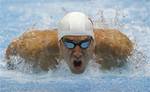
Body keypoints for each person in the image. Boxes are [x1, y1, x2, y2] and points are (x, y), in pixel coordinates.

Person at [5, 12, 133, 74]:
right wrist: (10, 67)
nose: (77, 53)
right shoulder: (38, 47)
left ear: (93, 44)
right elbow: (11, 49)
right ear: (59, 45)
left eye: (84, 44)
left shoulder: (115, 47)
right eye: (70, 44)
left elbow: (133, 57)